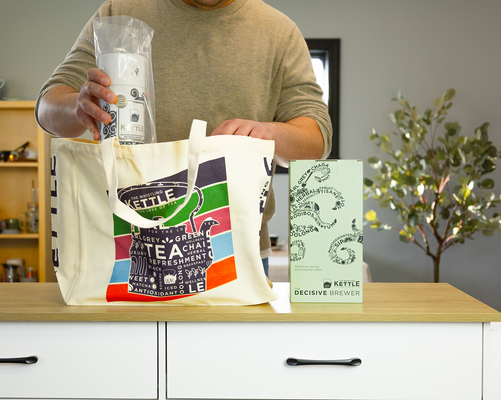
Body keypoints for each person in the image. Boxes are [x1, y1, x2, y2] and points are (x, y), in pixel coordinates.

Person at [36, 0, 332, 277]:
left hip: (237, 253)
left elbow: (316, 137)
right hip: (120, 246)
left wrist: (270, 133)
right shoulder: (120, 12)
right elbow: (47, 107)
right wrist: (79, 107)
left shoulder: (278, 32)